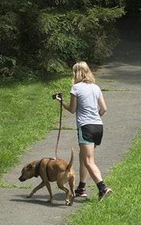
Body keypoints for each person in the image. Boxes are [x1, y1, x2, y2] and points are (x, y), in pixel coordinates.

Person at [56, 61, 112, 200]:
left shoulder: (76, 88)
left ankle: (102, 187)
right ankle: (81, 188)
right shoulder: (96, 87)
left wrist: (60, 101)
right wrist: (94, 117)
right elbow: (104, 108)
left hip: (85, 127)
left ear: (77, 73)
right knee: (83, 157)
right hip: (98, 127)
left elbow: (72, 109)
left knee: (88, 160)